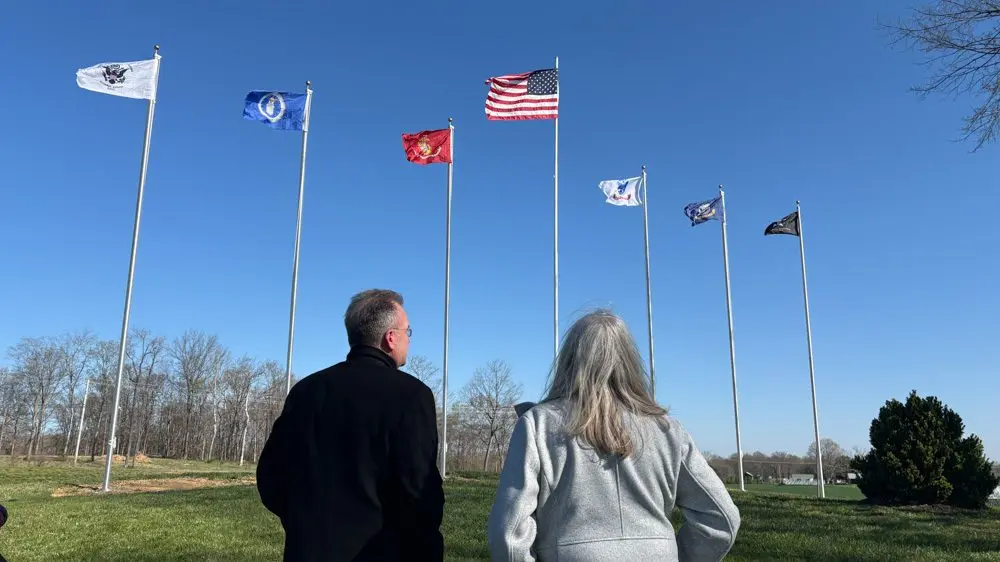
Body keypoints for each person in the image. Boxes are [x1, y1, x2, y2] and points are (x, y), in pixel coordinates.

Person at [487, 309, 740, 561]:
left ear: (569, 361)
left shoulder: (538, 425)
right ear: (630, 361)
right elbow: (722, 520)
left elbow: (509, 537)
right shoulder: (669, 431)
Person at [257, 289, 444, 561]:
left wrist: (302, 525)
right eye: (408, 331)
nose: (409, 339)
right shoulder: (411, 396)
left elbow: (271, 478)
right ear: (391, 338)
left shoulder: (305, 390)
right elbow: (420, 494)